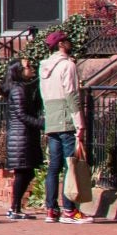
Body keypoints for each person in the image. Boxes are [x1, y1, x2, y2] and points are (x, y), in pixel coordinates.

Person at [39, 30, 83, 221]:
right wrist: (79, 123)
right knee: (69, 165)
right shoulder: (67, 65)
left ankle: (51, 209)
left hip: (51, 119)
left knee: (53, 166)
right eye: (66, 40)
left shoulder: (43, 67)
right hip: (66, 118)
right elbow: (72, 95)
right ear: (60, 45)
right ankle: (69, 210)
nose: (69, 42)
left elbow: (43, 95)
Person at [2, 59, 43, 219]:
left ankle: (16, 207)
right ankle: (14, 208)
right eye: (28, 67)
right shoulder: (18, 90)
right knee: (22, 172)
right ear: (19, 71)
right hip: (21, 136)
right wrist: (42, 124)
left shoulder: (21, 88)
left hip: (23, 135)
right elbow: (21, 115)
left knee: (27, 172)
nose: (31, 68)